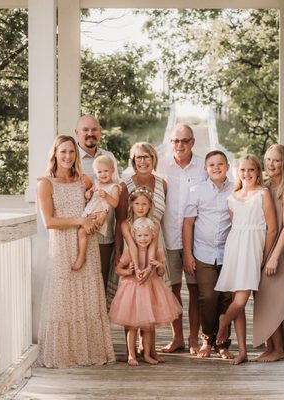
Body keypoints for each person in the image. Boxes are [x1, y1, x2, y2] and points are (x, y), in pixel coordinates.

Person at [36, 135, 115, 368]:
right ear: (55, 154)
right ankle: (63, 353)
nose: (68, 156)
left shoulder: (85, 181)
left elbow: (102, 204)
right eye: (63, 152)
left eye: (71, 152)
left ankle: (88, 352)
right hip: (61, 246)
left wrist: (96, 220)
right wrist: (80, 220)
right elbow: (49, 222)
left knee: (88, 296)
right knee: (63, 299)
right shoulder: (45, 184)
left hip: (86, 245)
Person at [215, 154, 278, 365]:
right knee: (237, 302)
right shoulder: (232, 197)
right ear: (237, 173)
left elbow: (272, 228)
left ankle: (223, 323)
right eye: (243, 170)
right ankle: (242, 352)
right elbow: (236, 226)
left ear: (258, 172)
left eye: (251, 170)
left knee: (240, 300)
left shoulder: (263, 194)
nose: (247, 174)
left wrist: (264, 256)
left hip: (255, 248)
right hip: (235, 248)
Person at [156, 124, 207, 355]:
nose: (180, 145)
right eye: (176, 141)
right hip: (167, 237)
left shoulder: (203, 167)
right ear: (171, 143)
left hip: (196, 240)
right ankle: (177, 338)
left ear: (193, 142)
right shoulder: (161, 165)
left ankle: (194, 339)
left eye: (185, 141)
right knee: (172, 290)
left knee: (196, 292)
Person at [182, 150, 234, 360]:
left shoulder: (236, 189)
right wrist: (188, 254)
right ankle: (207, 339)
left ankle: (222, 343)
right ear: (205, 168)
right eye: (211, 164)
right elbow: (188, 224)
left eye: (220, 164)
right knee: (208, 297)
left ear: (227, 167)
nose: (216, 167)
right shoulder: (197, 190)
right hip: (203, 252)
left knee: (226, 298)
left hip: (229, 252)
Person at [109, 217, 181, 366]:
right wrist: (127, 271)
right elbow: (118, 269)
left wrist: (159, 265)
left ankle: (147, 354)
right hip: (132, 292)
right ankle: (131, 354)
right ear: (134, 236)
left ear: (153, 236)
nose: (143, 239)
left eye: (146, 235)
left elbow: (161, 273)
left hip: (151, 291)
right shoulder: (129, 252)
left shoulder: (157, 252)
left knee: (148, 327)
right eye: (140, 235)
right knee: (132, 327)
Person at [252, 144, 284, 362]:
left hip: (280, 251)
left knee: (276, 299)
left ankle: (279, 349)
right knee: (263, 297)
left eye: (276, 160)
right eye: (268, 159)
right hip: (264, 248)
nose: (271, 164)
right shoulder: (264, 186)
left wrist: (274, 256)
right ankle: (270, 346)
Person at [110, 143, 167, 305]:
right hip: (132, 246)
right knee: (132, 297)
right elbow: (120, 221)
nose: (143, 161)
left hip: (155, 244)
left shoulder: (162, 184)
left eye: (146, 157)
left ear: (153, 159)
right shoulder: (124, 186)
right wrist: (118, 251)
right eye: (139, 157)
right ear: (133, 161)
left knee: (154, 298)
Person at [75, 115, 119, 290]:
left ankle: (100, 317)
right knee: (80, 281)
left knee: (101, 281)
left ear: (100, 133)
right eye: (85, 130)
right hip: (79, 229)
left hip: (104, 233)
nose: (90, 133)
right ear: (77, 132)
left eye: (94, 130)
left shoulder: (109, 157)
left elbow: (116, 190)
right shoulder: (71, 158)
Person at [75, 155, 121, 271]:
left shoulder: (114, 187)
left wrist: (106, 196)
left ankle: (81, 257)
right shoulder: (96, 184)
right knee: (80, 231)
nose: (103, 174)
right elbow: (88, 196)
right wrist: (88, 194)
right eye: (99, 172)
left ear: (112, 170)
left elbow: (115, 203)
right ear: (95, 173)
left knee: (81, 232)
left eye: (106, 171)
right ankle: (81, 255)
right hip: (90, 215)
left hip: (101, 220)